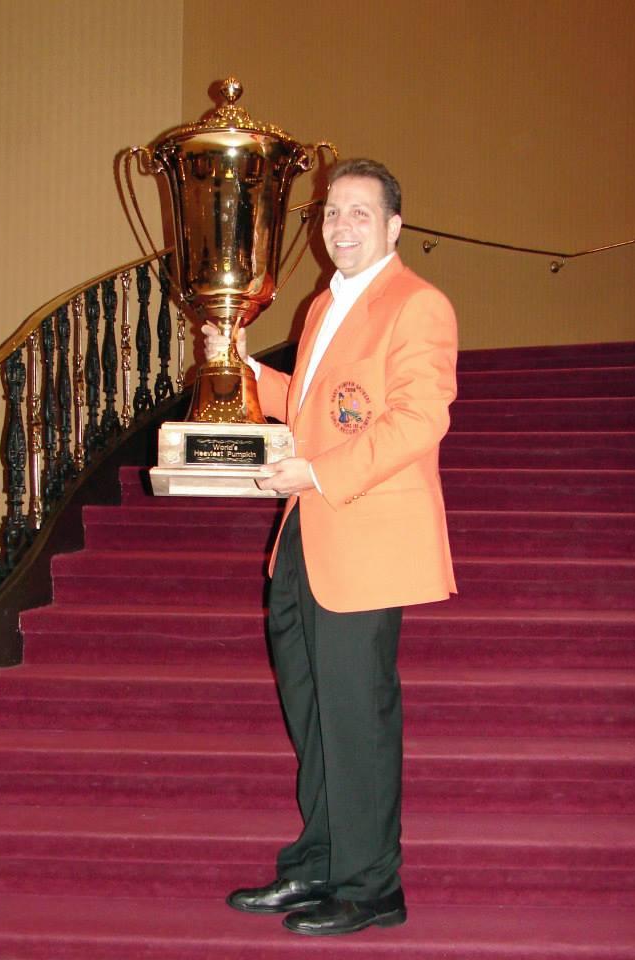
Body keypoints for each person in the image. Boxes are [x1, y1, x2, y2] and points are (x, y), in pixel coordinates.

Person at [202, 158, 457, 937]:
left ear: (393, 227)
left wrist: (313, 470)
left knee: (357, 714)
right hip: (306, 537)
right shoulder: (322, 306)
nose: (340, 226)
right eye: (331, 214)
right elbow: (312, 407)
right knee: (313, 714)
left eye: (358, 213)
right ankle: (320, 860)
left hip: (363, 534)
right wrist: (238, 367)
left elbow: (418, 421)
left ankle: (373, 883)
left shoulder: (418, 305)